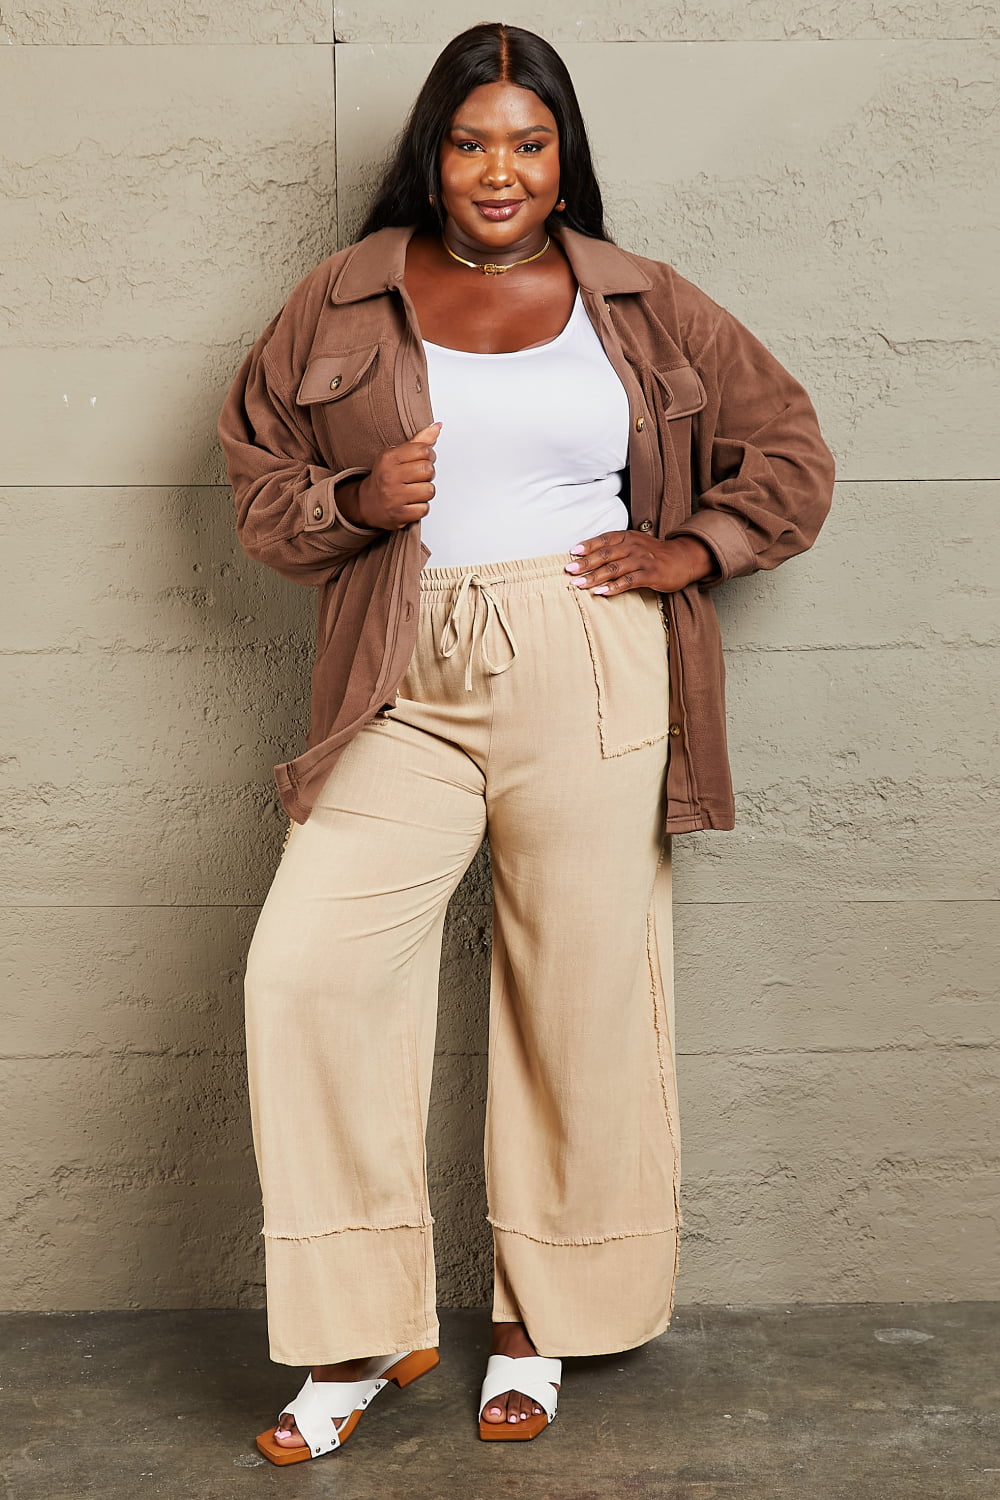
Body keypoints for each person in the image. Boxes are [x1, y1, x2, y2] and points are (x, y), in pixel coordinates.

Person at [218, 21, 834, 1465]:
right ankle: (356, 1331)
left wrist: (690, 549)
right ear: (431, 153)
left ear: (565, 158)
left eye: (530, 142)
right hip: (401, 668)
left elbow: (790, 452)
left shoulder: (639, 299)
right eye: (472, 141)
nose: (500, 170)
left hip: (591, 660)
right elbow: (259, 484)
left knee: (580, 1001)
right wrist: (358, 500)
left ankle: (535, 1324)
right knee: (306, 972)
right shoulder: (344, 295)